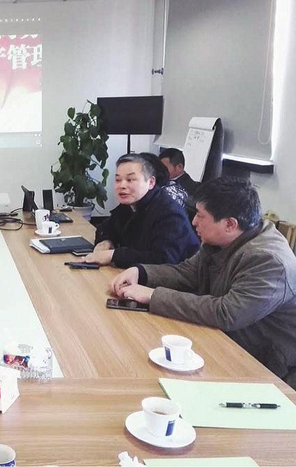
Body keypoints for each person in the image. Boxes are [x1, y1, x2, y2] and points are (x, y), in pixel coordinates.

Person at [109, 177, 296, 388]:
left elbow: (226, 313)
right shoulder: (224, 238)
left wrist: (152, 295)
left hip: (265, 366)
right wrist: (141, 272)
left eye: (200, 215)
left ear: (230, 224)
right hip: (222, 342)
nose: (194, 222)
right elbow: (188, 273)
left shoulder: (269, 260)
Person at [84, 153, 199, 268]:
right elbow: (106, 227)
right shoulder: (130, 203)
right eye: (118, 180)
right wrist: (106, 241)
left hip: (172, 278)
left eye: (130, 180)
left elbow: (163, 259)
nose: (122, 185)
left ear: (151, 182)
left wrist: (114, 255)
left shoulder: (169, 213)